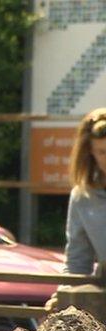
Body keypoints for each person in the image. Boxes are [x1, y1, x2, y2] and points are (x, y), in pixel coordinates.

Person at [64, 107, 106, 275]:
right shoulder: (83, 197)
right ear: (91, 154)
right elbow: (77, 262)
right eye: (102, 152)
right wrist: (64, 295)